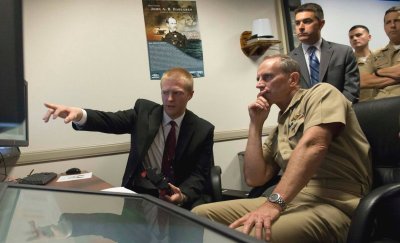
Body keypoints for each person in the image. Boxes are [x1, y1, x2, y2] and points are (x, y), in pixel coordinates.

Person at [192, 54, 372, 243]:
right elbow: (255, 177)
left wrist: (274, 203)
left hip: (335, 202)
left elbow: (314, 145)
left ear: (293, 79)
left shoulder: (322, 93)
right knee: (199, 216)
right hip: (293, 199)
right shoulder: (281, 126)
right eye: (258, 79)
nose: (259, 84)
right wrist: (255, 124)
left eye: (267, 77)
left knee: (252, 237)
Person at [43, 67, 214, 209]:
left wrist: (182, 195)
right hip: (140, 194)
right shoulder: (144, 112)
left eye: (177, 93)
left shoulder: (202, 129)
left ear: (190, 95)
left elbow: (199, 175)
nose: (169, 99)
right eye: (165, 92)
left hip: (178, 201)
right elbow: (110, 120)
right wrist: (81, 114)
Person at [289, 2, 360, 103]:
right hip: (305, 116)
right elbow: (289, 94)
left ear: (321, 24)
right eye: (297, 23)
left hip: (339, 114)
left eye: (307, 21)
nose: (301, 27)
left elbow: (352, 91)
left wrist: (334, 111)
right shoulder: (289, 59)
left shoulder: (343, 52)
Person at [359, 6, 400, 101]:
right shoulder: (375, 54)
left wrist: (377, 73)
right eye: (388, 22)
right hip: (380, 102)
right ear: (385, 27)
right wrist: (381, 72)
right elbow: (362, 81)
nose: (392, 25)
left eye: (397, 21)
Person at [348, 25, 374, 101]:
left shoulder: (380, 58)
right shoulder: (347, 62)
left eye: (358, 35)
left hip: (384, 103)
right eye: (351, 37)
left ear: (369, 37)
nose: (355, 38)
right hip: (359, 107)